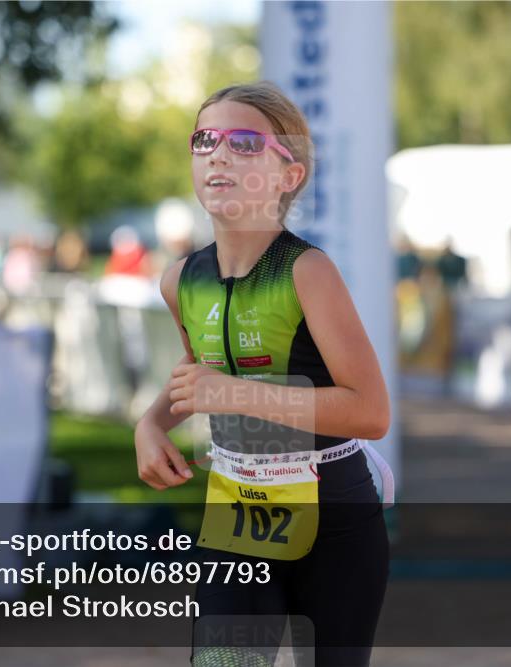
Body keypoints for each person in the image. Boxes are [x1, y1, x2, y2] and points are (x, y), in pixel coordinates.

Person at [134, 81, 393, 667]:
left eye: (245, 142)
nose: (218, 154)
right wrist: (151, 425)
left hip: (334, 512)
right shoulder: (179, 280)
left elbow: (370, 412)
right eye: (205, 140)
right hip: (239, 507)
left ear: (288, 176)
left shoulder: (308, 270)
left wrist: (233, 393)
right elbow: (201, 370)